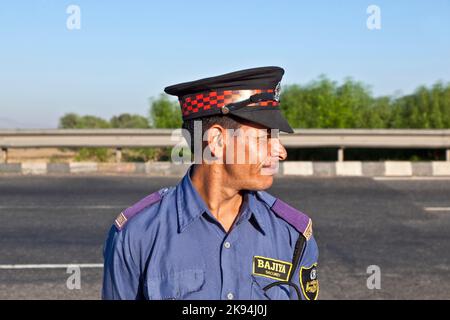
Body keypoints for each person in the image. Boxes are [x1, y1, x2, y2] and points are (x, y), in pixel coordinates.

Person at [102, 66, 319, 300]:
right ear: (216, 141)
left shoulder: (291, 235)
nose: (281, 152)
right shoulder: (137, 235)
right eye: (264, 137)